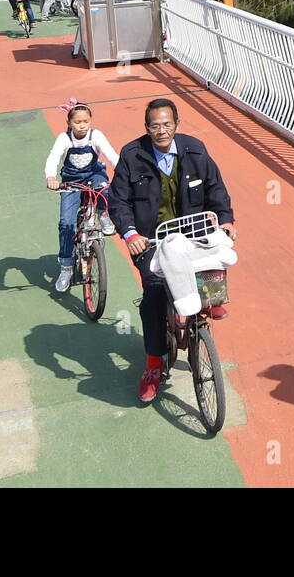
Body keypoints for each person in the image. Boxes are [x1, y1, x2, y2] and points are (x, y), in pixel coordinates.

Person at [109, 98, 237, 403]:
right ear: (147, 128)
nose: (161, 131)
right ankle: (153, 364)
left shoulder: (195, 150)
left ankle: (207, 306)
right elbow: (119, 201)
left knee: (211, 264)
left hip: (191, 234)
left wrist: (227, 219)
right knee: (154, 292)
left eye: (167, 124)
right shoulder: (132, 155)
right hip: (151, 240)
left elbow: (215, 188)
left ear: (177, 125)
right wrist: (130, 234)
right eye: (155, 125)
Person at [45, 100, 120, 292]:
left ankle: (104, 216)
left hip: (93, 174)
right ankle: (66, 266)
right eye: (77, 122)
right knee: (66, 223)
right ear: (69, 123)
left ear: (91, 121)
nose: (82, 125)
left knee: (104, 188)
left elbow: (111, 155)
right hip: (70, 180)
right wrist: (51, 176)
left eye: (86, 121)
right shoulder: (64, 138)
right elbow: (53, 156)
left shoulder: (96, 136)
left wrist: (123, 171)